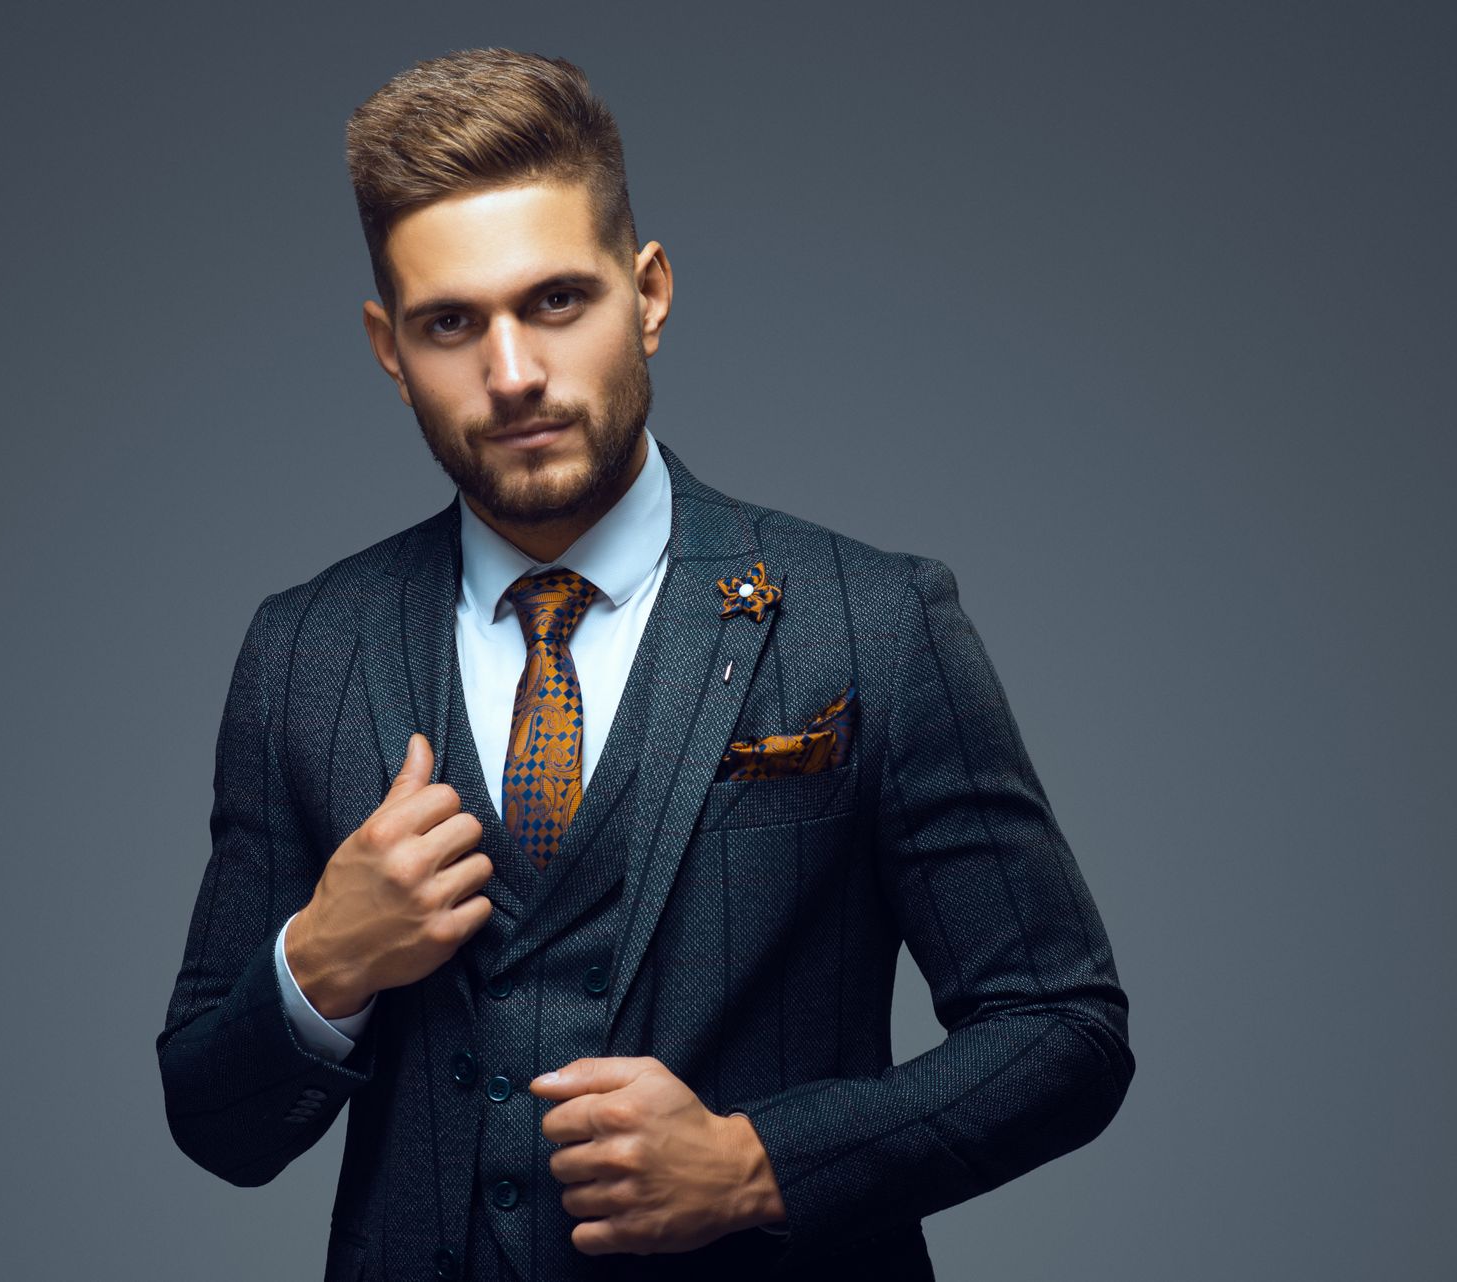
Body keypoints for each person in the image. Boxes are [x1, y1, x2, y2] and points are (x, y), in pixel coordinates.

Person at [156, 47, 1134, 1282]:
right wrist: (324, 963)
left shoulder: (872, 621)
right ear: (389, 348)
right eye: (451, 324)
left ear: (649, 290)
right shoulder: (306, 649)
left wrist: (757, 1163)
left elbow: (1066, 1033)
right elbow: (213, 1119)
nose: (511, 374)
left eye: (555, 301)